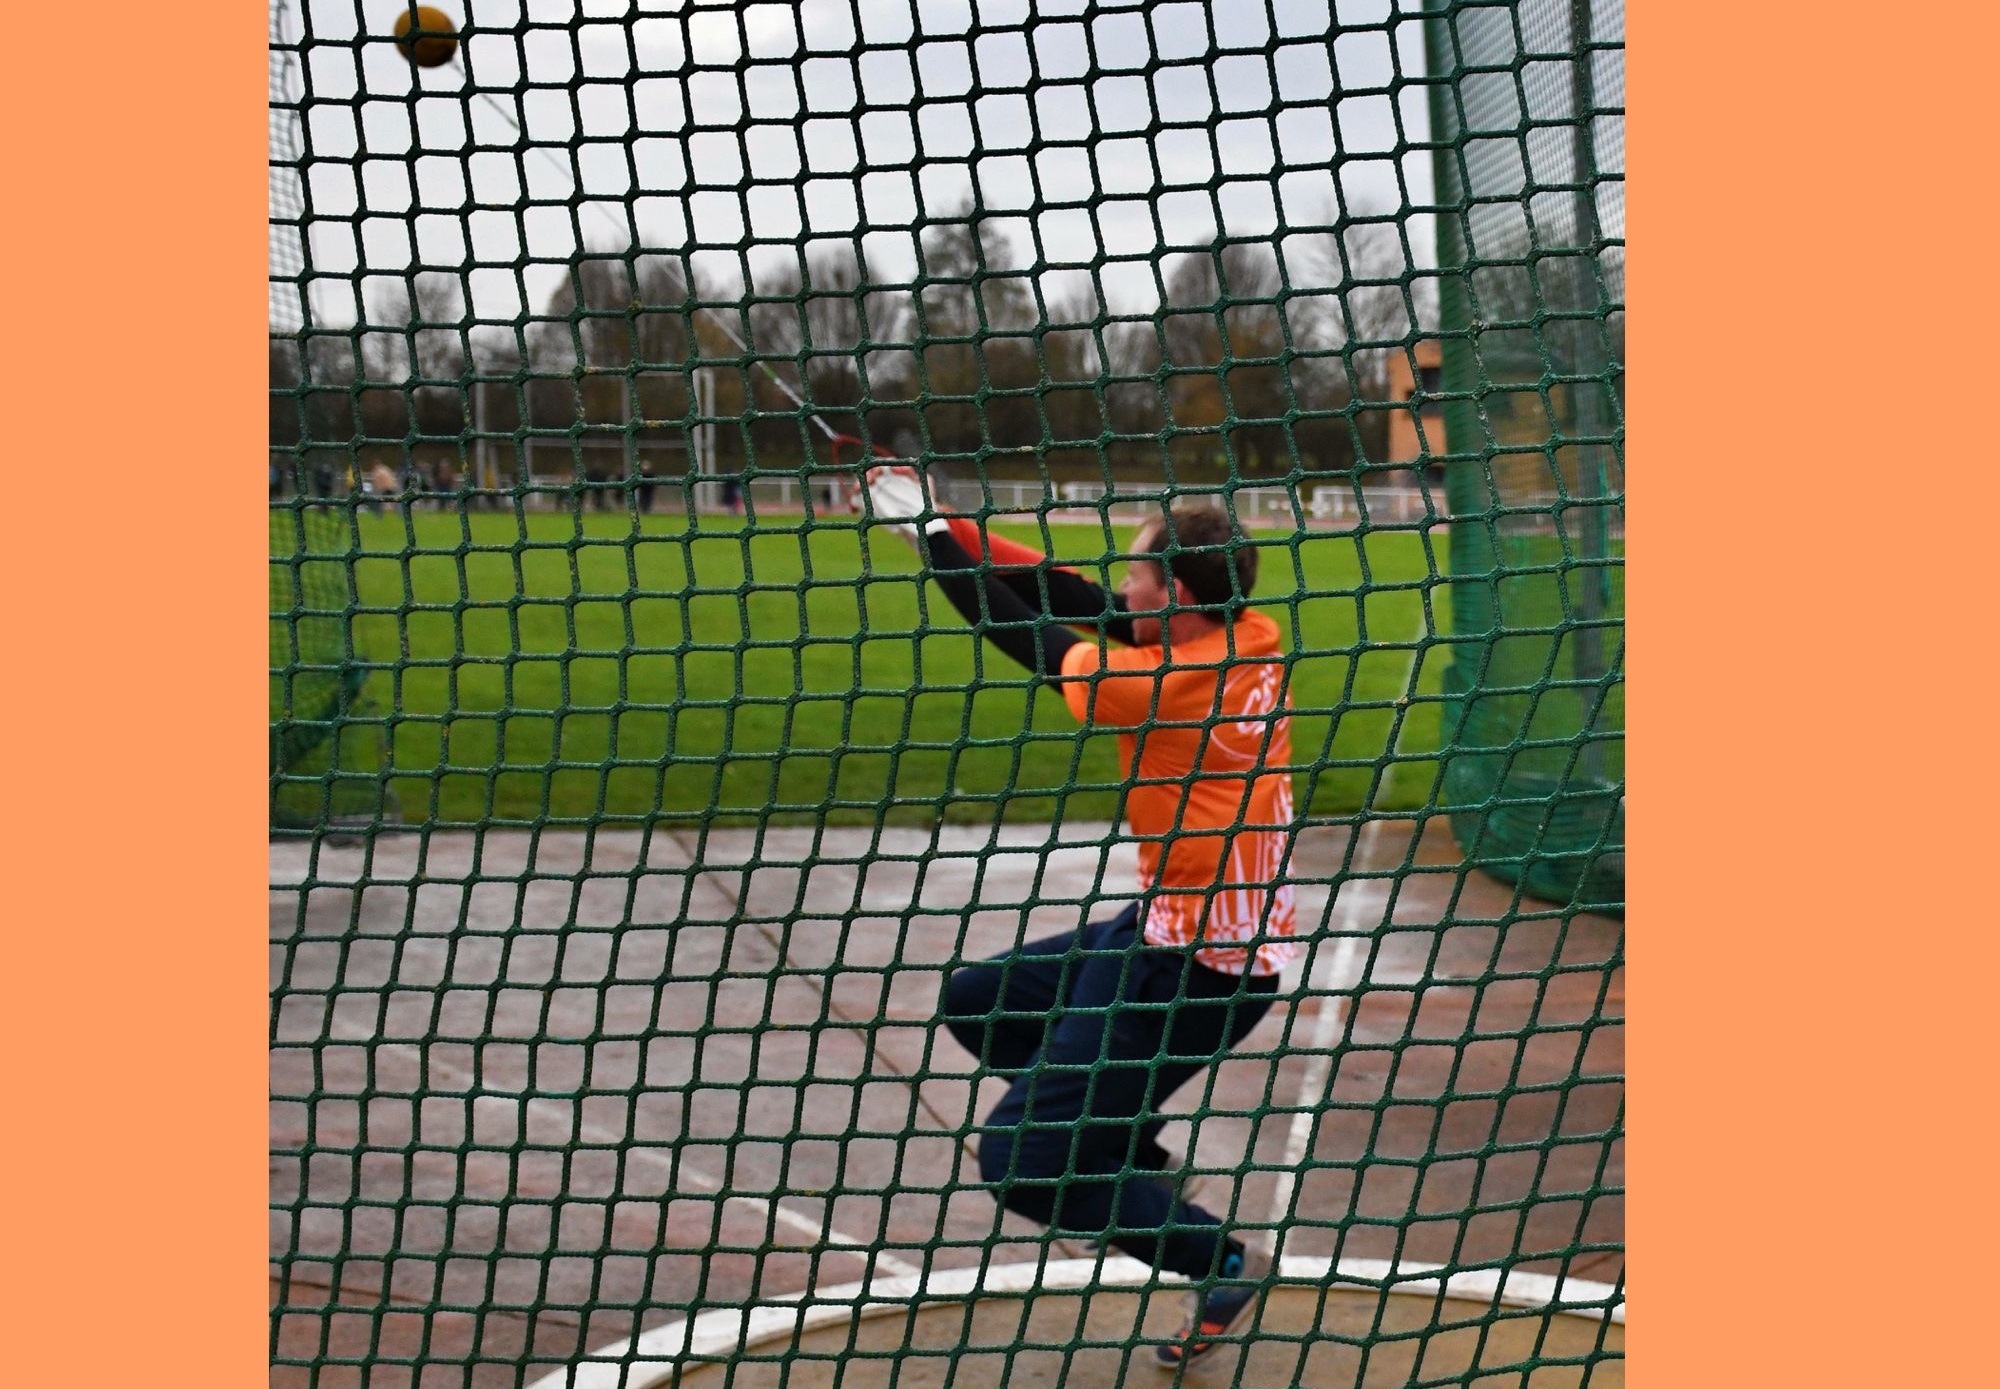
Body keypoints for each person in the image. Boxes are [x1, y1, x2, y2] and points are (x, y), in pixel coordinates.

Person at [866, 466, 1299, 1368]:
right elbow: (1077, 593)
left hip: (1194, 973)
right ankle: (1126, 1144)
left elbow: (1021, 627)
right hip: (1162, 931)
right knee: (983, 1002)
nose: (1122, 586)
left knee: (1021, 1158)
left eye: (1139, 576)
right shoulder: (1244, 630)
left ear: (1174, 595)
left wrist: (942, 549)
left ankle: (1211, 1257)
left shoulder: (1163, 682)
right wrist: (941, 529)